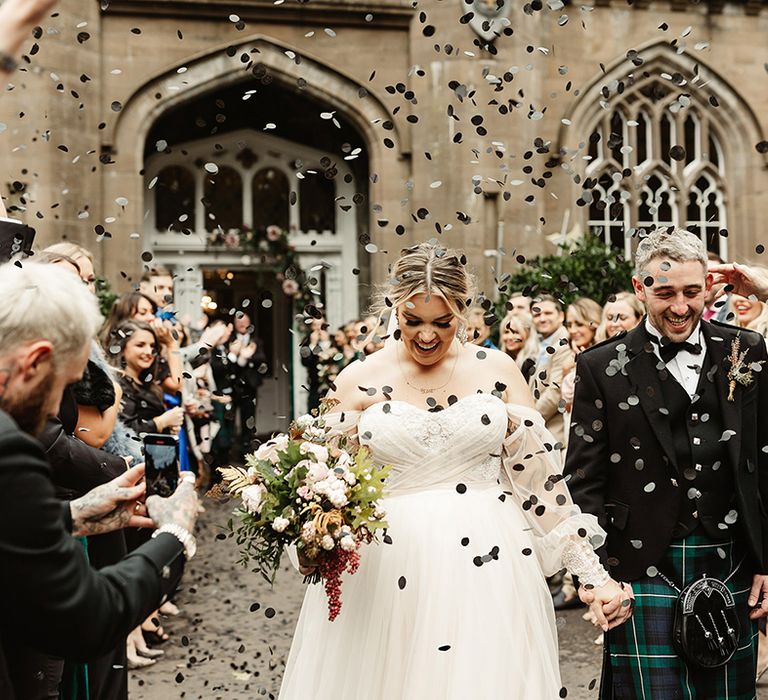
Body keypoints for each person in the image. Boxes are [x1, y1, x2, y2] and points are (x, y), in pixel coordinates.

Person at [279, 241, 632, 699]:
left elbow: (540, 485)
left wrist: (594, 577)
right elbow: (319, 482)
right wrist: (310, 538)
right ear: (395, 310)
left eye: (442, 323)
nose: (427, 336)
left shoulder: (498, 369)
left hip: (488, 563)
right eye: (414, 321)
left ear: (462, 313)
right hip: (384, 565)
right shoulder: (357, 378)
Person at [565, 228, 768, 699]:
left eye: (692, 292)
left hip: (730, 557)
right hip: (638, 566)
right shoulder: (600, 366)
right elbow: (584, 479)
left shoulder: (746, 351)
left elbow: (763, 459)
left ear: (711, 288)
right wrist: (594, 577)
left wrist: (766, 559)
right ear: (640, 289)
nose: (680, 307)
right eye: (665, 292)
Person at [0, 261, 200, 699]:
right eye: (64, 387)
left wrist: (74, 515)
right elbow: (86, 618)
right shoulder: (10, 447)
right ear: (35, 361)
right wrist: (175, 533)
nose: (58, 412)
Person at [529, 294, 570, 445]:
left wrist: (529, 419)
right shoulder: (542, 343)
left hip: (553, 430)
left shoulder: (564, 342)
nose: (542, 318)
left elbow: (555, 390)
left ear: (561, 316)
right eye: (537, 314)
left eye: (548, 313)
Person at [498, 311, 538, 382]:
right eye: (506, 332)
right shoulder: (502, 360)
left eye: (516, 332)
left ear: (527, 334)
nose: (510, 337)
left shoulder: (531, 363)